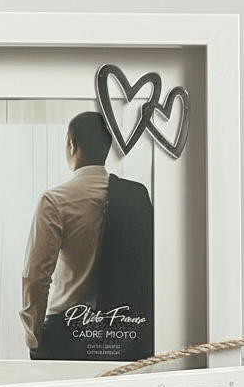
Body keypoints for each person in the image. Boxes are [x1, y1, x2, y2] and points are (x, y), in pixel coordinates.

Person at [19, 110, 153, 360]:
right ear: (107, 147)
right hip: (122, 334)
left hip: (67, 332)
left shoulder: (55, 200)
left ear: (71, 144)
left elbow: (36, 275)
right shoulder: (136, 196)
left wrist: (33, 334)